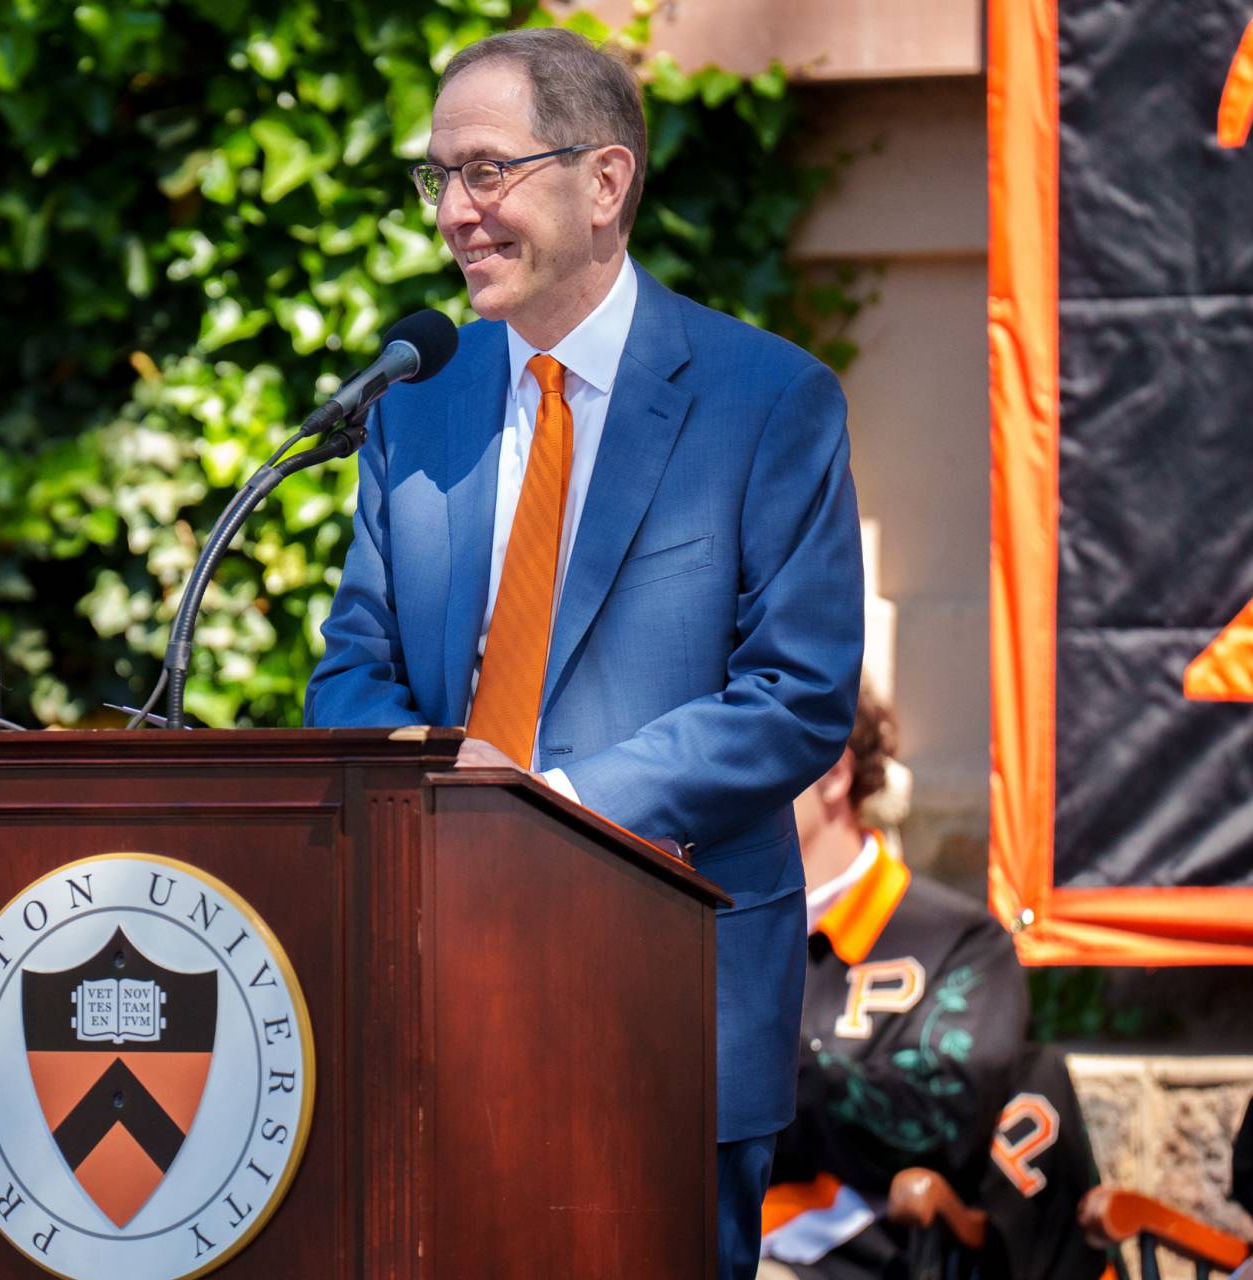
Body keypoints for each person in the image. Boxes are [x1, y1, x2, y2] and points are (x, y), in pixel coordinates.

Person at [303, 26, 864, 1279]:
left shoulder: (767, 400)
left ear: (604, 181)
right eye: (439, 177)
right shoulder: (417, 402)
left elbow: (795, 697)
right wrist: (432, 786)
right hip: (437, 986)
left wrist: (549, 812)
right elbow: (354, 664)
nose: (455, 211)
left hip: (664, 1000)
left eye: (487, 170)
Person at [761, 694, 1104, 1279]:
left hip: (843, 1257)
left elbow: (940, 1119)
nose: (729, 781)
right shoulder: (707, 927)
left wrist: (765, 1066)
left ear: (835, 773)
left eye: (757, 756)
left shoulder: (960, 941)